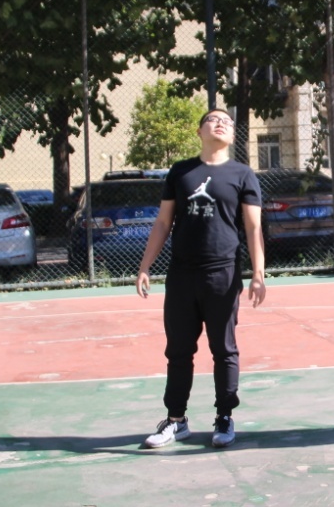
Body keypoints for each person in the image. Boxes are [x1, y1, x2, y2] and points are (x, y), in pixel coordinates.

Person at [136, 108, 267, 450]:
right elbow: (163, 222)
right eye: (212, 119)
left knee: (224, 349)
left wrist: (258, 274)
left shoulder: (242, 174)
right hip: (182, 275)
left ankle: (224, 416)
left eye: (227, 121)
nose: (220, 122)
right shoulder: (180, 172)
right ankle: (175, 420)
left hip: (223, 274)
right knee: (179, 350)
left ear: (233, 135)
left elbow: (253, 227)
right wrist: (145, 266)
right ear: (199, 131)